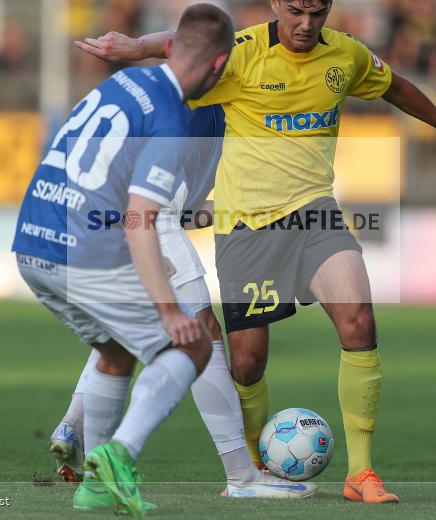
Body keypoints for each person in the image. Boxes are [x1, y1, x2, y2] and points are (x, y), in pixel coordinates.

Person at [77, 0, 436, 505]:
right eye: (296, 11)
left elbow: (394, 85)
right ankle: (252, 467)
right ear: (275, 2)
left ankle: (362, 473)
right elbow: (185, 44)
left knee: (359, 323)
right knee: (248, 363)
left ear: (329, 9)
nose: (306, 24)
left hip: (316, 214)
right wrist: (134, 47)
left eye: (318, 13)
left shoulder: (343, 56)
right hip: (246, 227)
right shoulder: (244, 54)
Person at [12, 3, 236, 516]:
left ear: (170, 47)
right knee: (193, 345)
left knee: (115, 351)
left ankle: (93, 486)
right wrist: (166, 308)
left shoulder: (116, 87)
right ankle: (119, 455)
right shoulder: (174, 119)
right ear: (220, 67)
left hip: (32, 239)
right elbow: (142, 219)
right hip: (85, 253)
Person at [48, 103, 316, 500]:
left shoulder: (199, 109)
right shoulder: (216, 101)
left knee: (128, 332)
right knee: (203, 336)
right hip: (147, 216)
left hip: (104, 212)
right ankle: (241, 476)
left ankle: (74, 425)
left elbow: (194, 208)